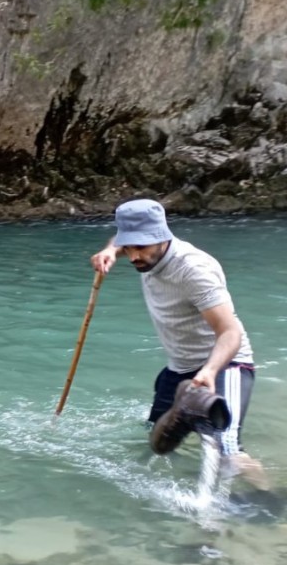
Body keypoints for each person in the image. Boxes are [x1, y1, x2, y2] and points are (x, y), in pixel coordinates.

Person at [90, 199, 266, 484]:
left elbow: (229, 331)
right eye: (129, 246)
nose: (134, 256)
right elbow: (124, 241)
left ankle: (264, 501)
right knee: (156, 439)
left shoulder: (193, 269)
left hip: (225, 364)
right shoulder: (141, 251)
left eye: (141, 247)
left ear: (162, 235)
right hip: (179, 367)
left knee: (229, 450)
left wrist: (209, 371)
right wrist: (111, 250)